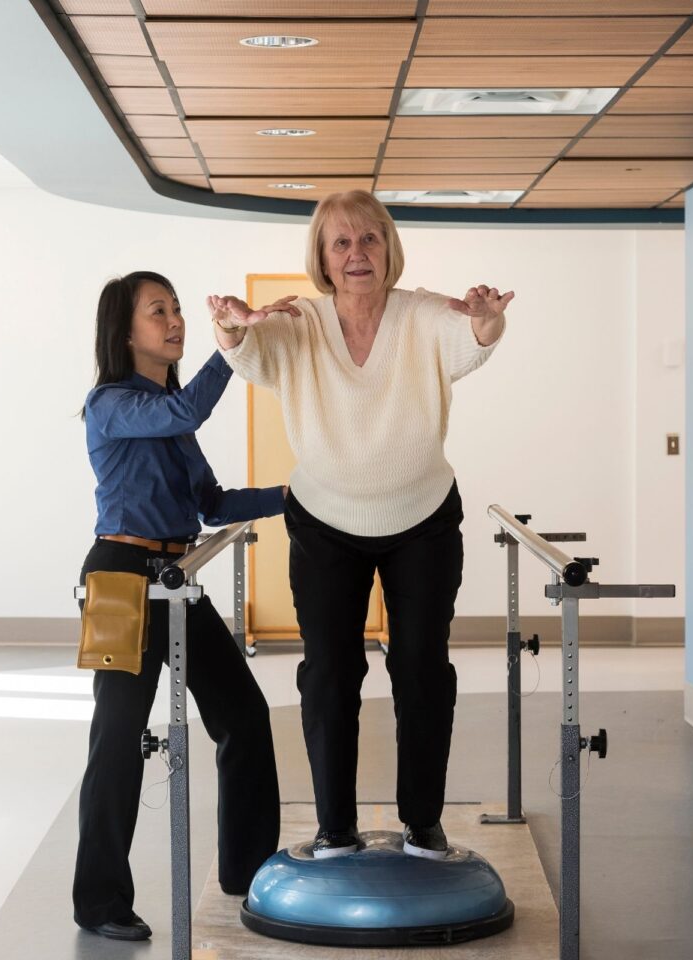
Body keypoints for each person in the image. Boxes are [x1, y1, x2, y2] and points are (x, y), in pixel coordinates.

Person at [208, 191, 513, 862]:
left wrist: (487, 322)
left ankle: (423, 823)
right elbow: (250, 355)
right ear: (322, 257)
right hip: (325, 521)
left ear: (388, 248)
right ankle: (335, 827)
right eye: (341, 243)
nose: (356, 254)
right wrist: (231, 328)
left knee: (421, 668)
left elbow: (469, 342)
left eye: (369, 239)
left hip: (422, 520)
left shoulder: (422, 312)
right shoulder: (299, 321)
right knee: (329, 674)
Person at [74, 271, 292, 940]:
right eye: (158, 311)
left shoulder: (172, 415)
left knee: (244, 717)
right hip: (120, 579)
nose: (174, 321)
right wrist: (231, 346)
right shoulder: (110, 404)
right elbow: (187, 412)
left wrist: (296, 495)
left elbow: (213, 504)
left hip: (177, 576)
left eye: (176, 309)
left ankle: (248, 872)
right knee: (118, 740)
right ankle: (100, 902)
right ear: (125, 332)